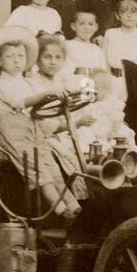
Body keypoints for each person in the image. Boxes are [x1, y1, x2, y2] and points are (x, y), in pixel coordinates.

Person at [0, 26, 81, 219]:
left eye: (20, 56)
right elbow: (21, 103)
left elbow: (38, 108)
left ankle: (75, 207)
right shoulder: (3, 85)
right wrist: (46, 95)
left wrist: (58, 100)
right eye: (10, 57)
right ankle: (61, 213)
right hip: (15, 138)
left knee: (53, 169)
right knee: (40, 174)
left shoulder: (25, 82)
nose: (17, 60)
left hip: (35, 133)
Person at [29, 33, 89, 203]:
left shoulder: (60, 83)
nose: (53, 62)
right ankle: (68, 203)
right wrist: (72, 124)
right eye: (47, 57)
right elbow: (41, 121)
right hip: (39, 135)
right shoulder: (32, 83)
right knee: (64, 157)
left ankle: (87, 197)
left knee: (86, 150)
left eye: (58, 57)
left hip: (59, 132)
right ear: (37, 59)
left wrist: (75, 122)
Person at [63, 0, 109, 79]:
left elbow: (102, 73)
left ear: (96, 27)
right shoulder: (67, 46)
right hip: (72, 86)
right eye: (82, 23)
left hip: (94, 87)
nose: (86, 27)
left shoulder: (97, 50)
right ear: (73, 26)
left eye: (90, 24)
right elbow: (64, 71)